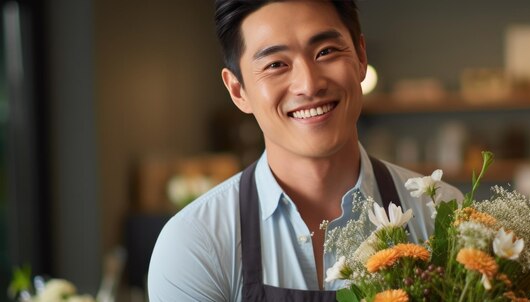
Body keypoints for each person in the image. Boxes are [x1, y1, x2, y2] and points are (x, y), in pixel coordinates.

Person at [148, 1, 462, 301]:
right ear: (237, 90)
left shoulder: (443, 213)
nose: (309, 85)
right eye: (275, 65)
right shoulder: (195, 242)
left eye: (325, 51)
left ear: (361, 57)